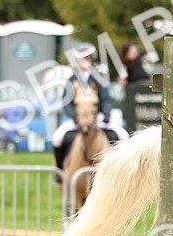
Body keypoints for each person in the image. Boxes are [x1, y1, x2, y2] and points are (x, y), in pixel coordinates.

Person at [51, 42, 128, 177]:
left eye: (86, 59)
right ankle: (59, 171)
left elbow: (106, 99)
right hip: (77, 119)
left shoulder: (99, 79)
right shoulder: (71, 80)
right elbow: (66, 102)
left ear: (91, 60)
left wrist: (106, 114)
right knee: (57, 138)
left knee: (123, 136)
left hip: (97, 118)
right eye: (80, 60)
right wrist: (74, 116)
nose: (83, 63)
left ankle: (122, 172)